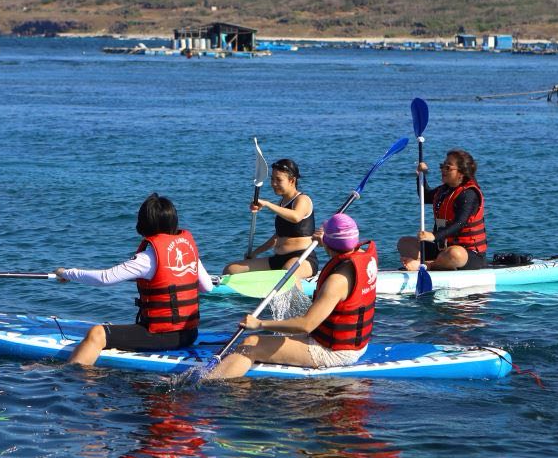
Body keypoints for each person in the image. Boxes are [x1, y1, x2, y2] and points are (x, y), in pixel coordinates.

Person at [207, 214, 377, 379]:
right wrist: (326, 240)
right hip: (355, 344)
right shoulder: (364, 258)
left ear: (329, 244)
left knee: (250, 344)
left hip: (334, 352)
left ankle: (208, 388)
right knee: (265, 339)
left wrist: (258, 323)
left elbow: (306, 325)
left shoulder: (336, 281)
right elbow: (342, 243)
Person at [56, 193, 214, 366]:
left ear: (144, 224)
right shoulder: (188, 250)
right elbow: (207, 287)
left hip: (162, 337)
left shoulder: (147, 258)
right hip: (189, 334)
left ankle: (67, 377)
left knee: (97, 333)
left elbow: (104, 278)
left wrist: (66, 273)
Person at [222, 158, 317, 280]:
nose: (273, 183)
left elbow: (296, 217)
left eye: (278, 180)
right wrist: (255, 253)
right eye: (272, 179)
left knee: (285, 275)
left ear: (292, 180)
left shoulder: (302, 199)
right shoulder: (282, 203)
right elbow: (277, 237)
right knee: (230, 269)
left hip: (303, 259)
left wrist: (267, 204)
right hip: (278, 259)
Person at [397, 148, 487, 271]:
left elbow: (459, 223)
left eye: (448, 168)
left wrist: (433, 236)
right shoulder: (444, 190)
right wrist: (421, 176)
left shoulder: (469, 194)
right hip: (442, 250)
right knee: (404, 243)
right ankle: (437, 263)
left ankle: (426, 265)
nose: (442, 170)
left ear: (461, 173)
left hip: (468, 254)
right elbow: (425, 196)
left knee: (455, 254)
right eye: (442, 166)